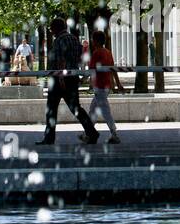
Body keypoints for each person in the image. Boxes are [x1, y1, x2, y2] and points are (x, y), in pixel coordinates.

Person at [40, 16, 98, 146]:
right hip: (72, 77)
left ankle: (49, 138)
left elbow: (61, 60)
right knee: (76, 108)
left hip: (59, 79)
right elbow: (80, 57)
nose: (51, 31)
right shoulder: (74, 39)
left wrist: (60, 78)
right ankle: (91, 132)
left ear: (56, 28)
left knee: (51, 108)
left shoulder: (59, 40)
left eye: (51, 28)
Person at [88, 29, 125, 145]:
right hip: (106, 85)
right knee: (93, 110)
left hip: (99, 86)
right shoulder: (108, 52)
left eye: (93, 40)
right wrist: (118, 83)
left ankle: (114, 134)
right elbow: (113, 69)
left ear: (95, 41)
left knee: (105, 111)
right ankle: (88, 133)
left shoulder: (96, 53)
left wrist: (82, 80)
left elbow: (91, 70)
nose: (92, 42)